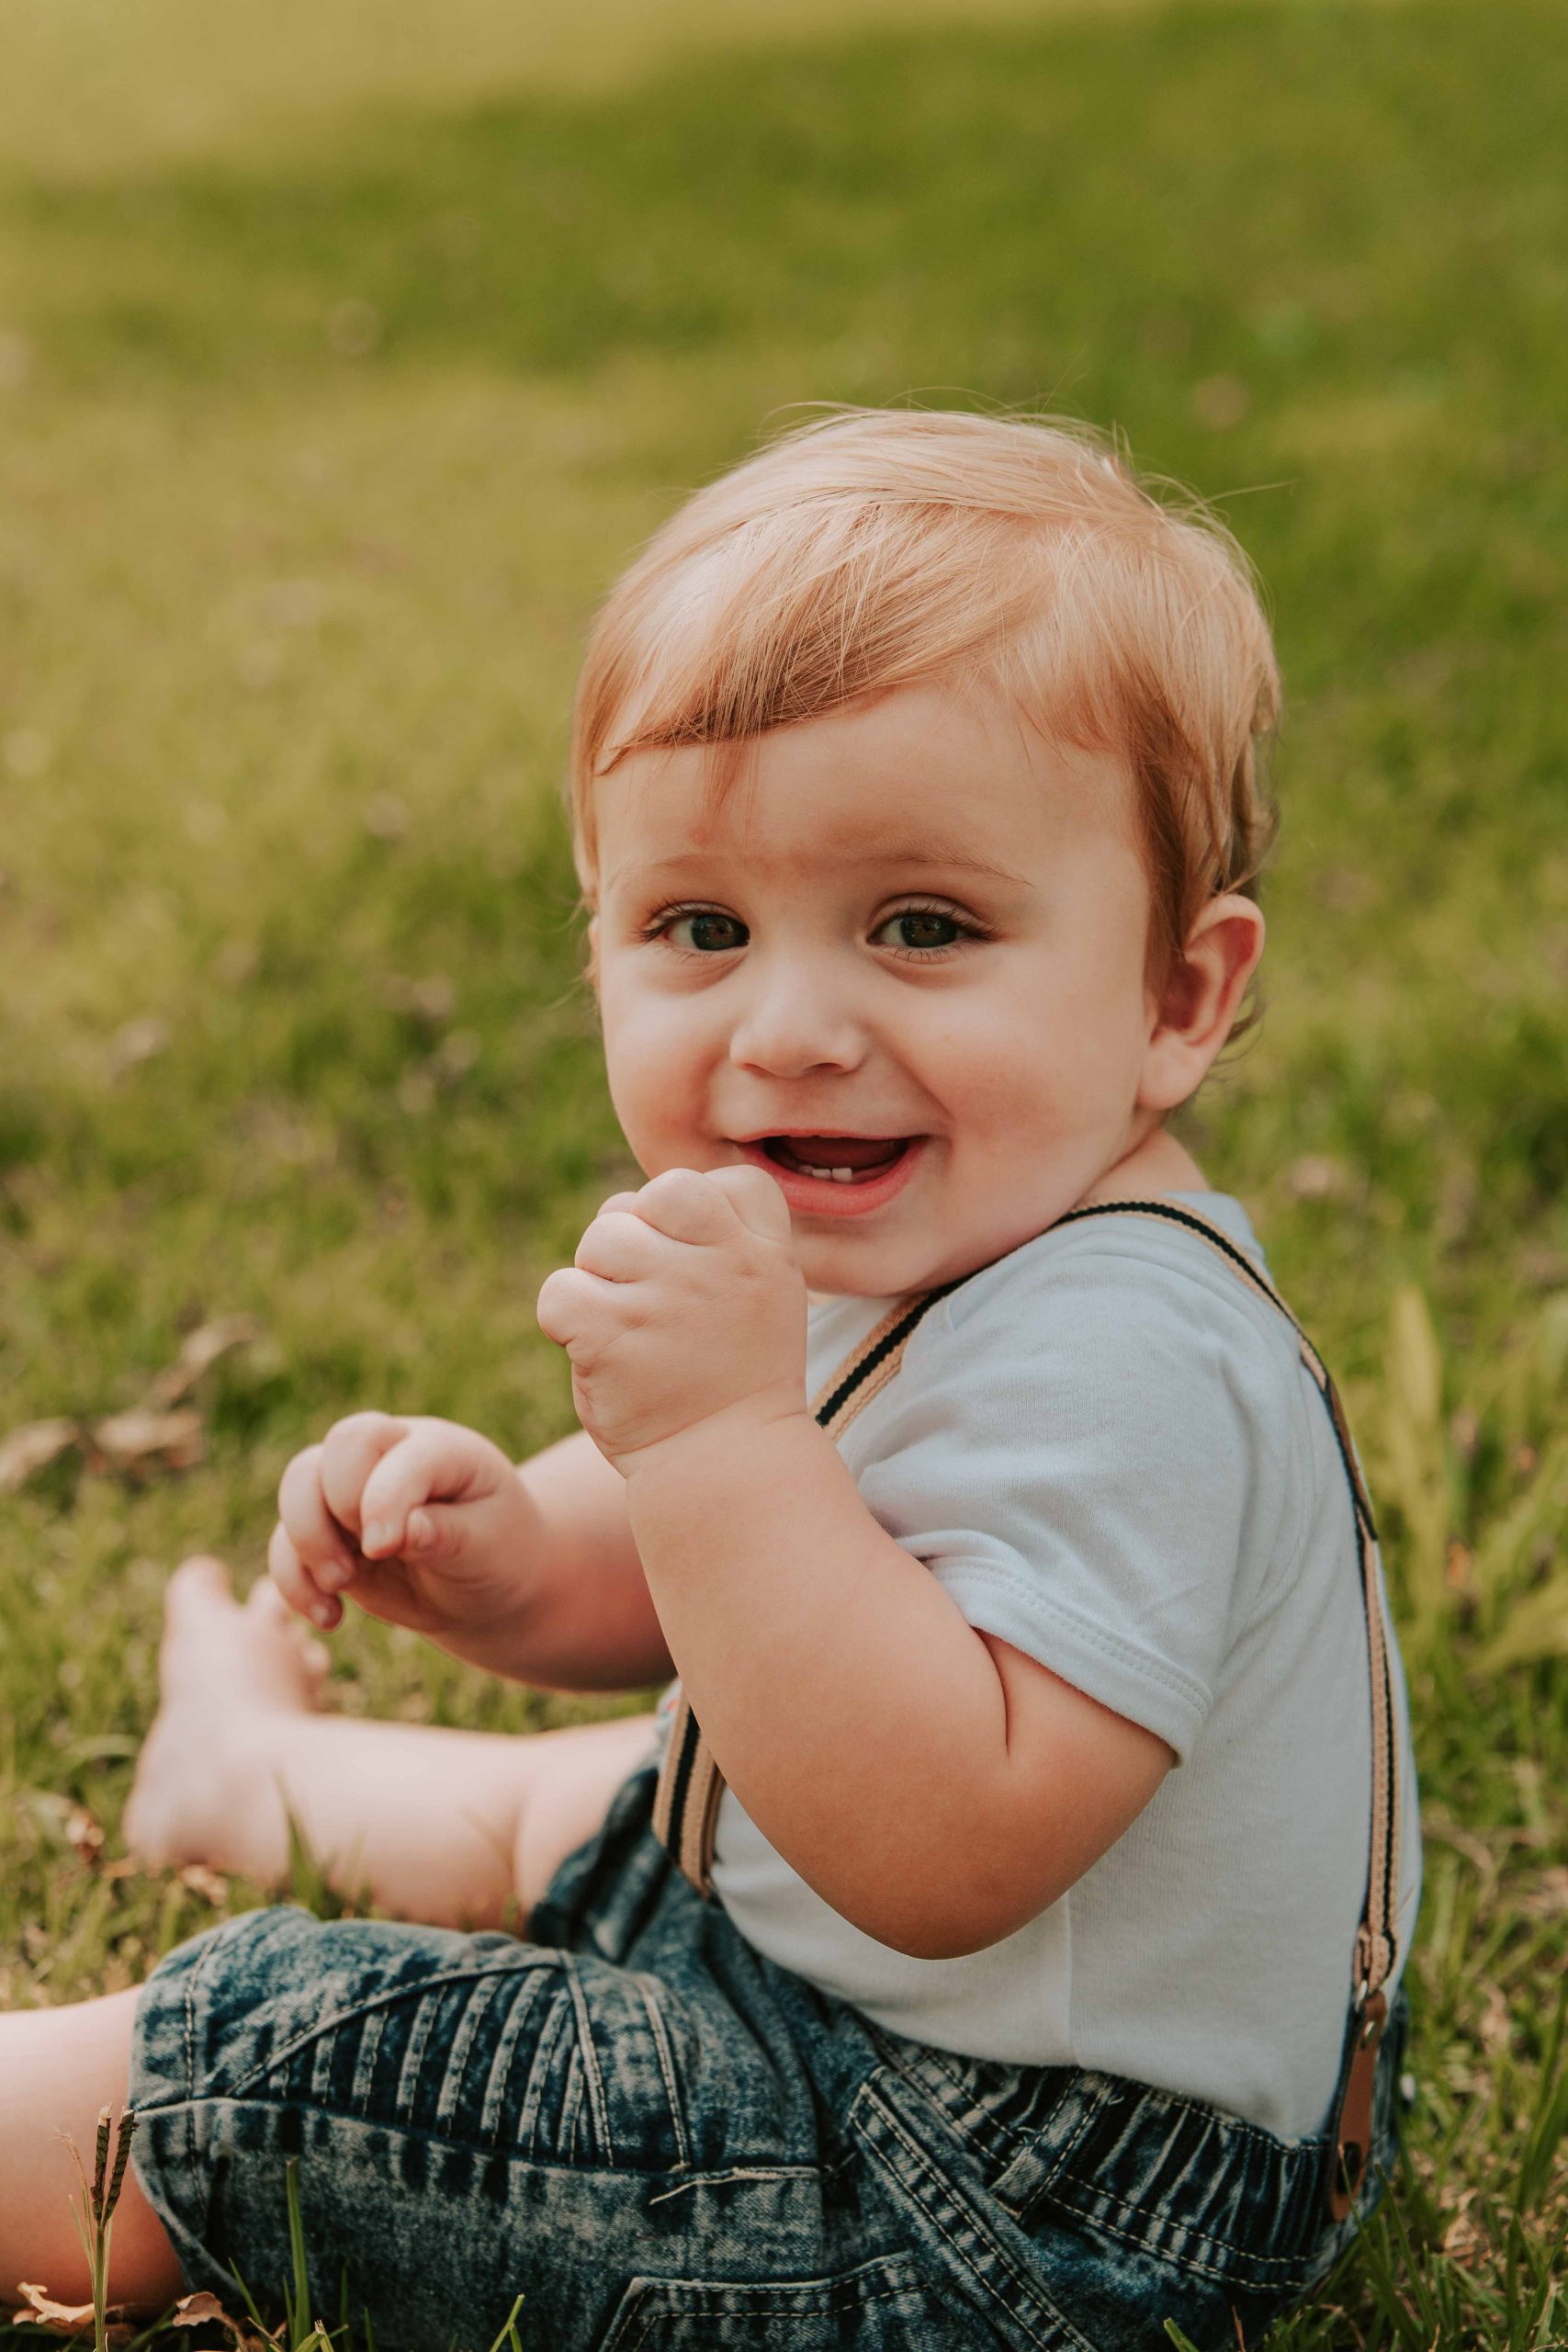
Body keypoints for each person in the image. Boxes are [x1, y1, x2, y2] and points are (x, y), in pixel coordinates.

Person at [0, 410, 1420, 2352]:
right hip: (894, 2035)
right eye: (700, 928)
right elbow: (724, 1573)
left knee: (293, 2049)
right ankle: (244, 1771)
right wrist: (510, 1553)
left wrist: (719, 1435)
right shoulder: (959, 1218)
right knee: (642, 1788)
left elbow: (939, 1845)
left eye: (922, 926)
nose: (793, 1024)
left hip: (996, 2208)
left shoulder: (1134, 1359)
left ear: (1176, 996)